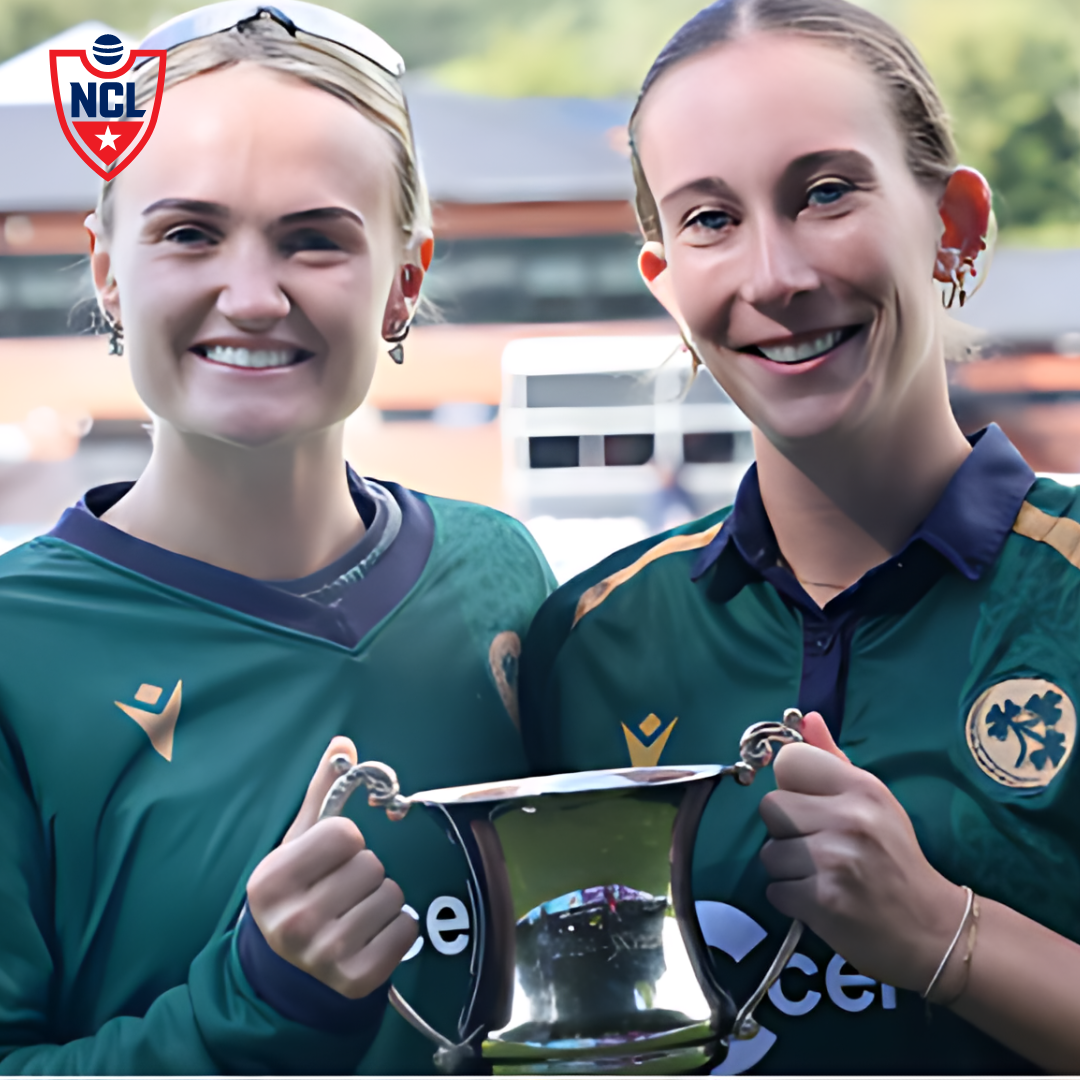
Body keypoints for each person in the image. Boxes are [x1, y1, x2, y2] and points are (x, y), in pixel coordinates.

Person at [520, 0, 1080, 1073]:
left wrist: (941, 934)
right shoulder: (588, 641)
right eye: (710, 220)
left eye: (825, 192)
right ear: (668, 286)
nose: (774, 275)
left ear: (952, 226)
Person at [0, 3, 554, 1074]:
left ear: (405, 281)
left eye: (315, 239)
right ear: (109, 272)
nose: (251, 297)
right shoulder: (17, 649)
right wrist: (259, 1004)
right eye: (188, 233)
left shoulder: (506, 581)